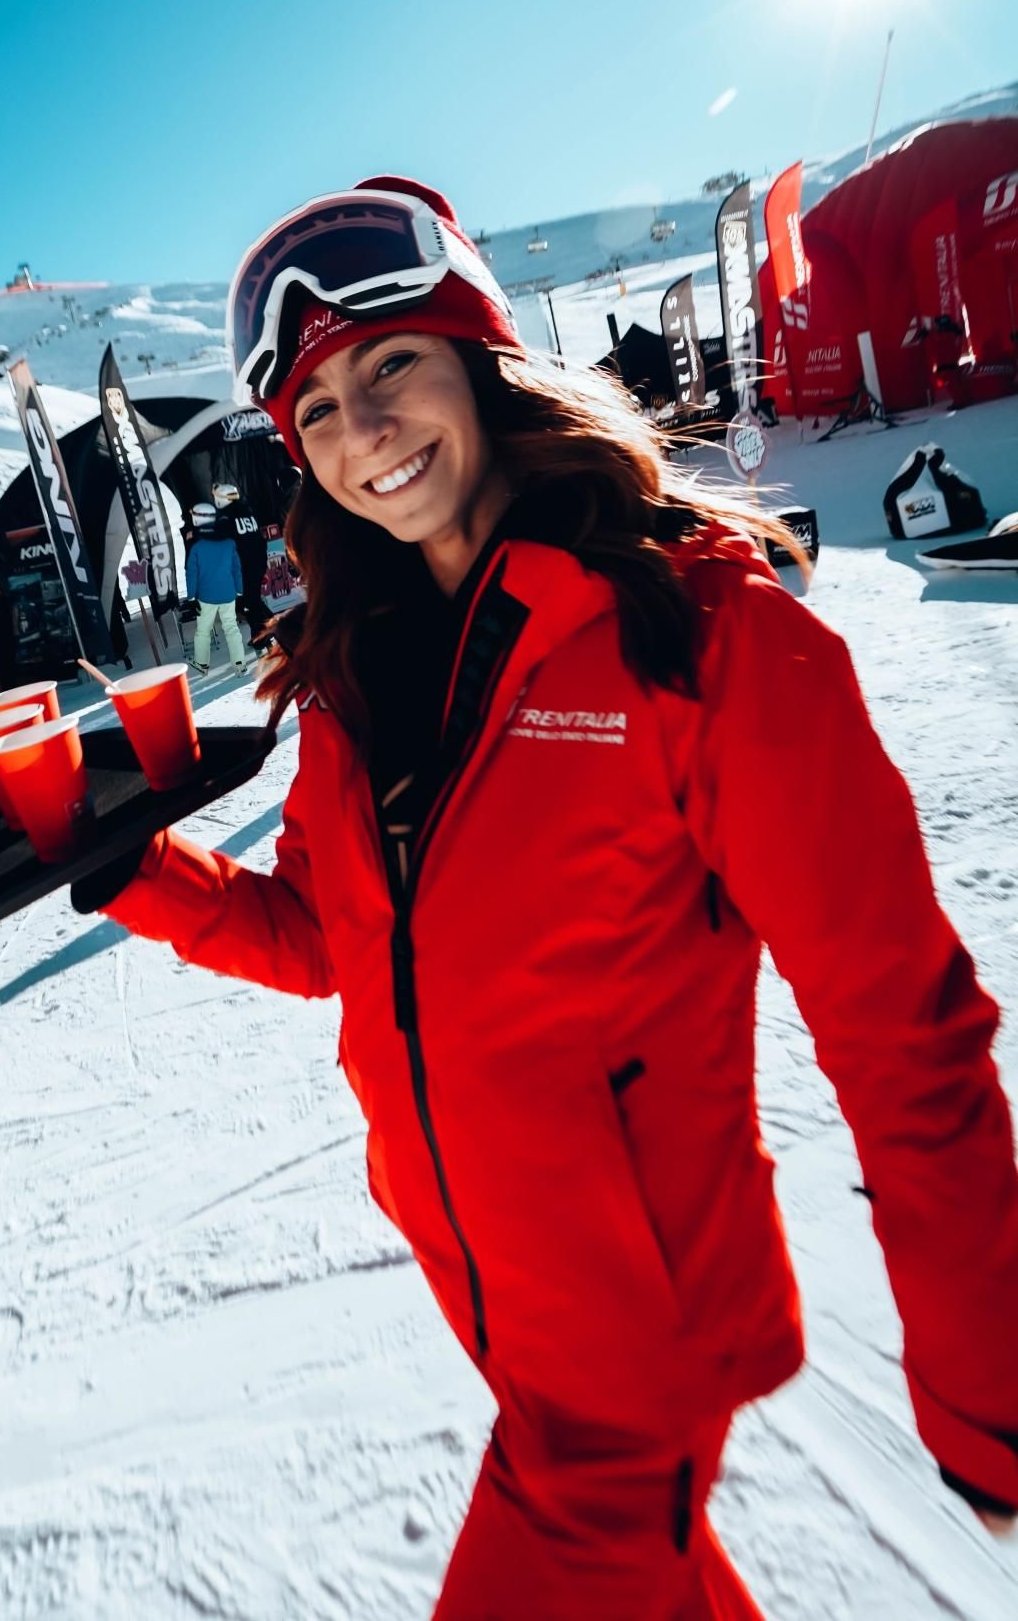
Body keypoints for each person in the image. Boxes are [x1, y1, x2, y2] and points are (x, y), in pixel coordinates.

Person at [75, 177, 1018, 1616]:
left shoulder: (701, 635)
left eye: (392, 364)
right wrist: (134, 871)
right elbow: (329, 942)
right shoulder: (356, 674)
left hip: (640, 1329)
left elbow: (903, 1029)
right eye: (315, 409)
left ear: (482, 361)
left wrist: (989, 1391)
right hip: (496, 1292)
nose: (361, 431)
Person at [184, 501, 248, 676]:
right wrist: (240, 592)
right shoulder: (229, 542)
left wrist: (191, 598)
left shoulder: (195, 546)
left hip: (205, 596)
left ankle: (202, 664)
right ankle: (240, 664)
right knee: (232, 628)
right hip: (228, 593)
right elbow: (236, 569)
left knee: (203, 631)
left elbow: (191, 573)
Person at [212, 481, 272, 642]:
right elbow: (259, 539)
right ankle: (262, 633)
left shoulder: (225, 518)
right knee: (252, 600)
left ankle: (270, 631)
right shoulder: (248, 512)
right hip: (258, 561)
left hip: (243, 567)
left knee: (248, 602)